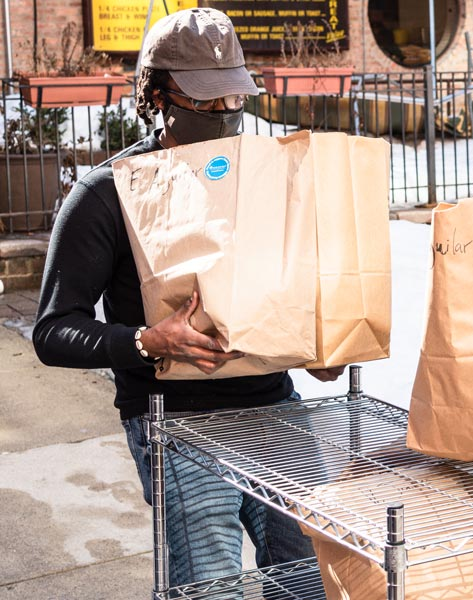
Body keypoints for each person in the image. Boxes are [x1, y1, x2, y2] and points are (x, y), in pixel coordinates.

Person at [32, 7, 340, 587]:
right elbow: (52, 332)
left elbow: (296, 294)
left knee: (306, 576)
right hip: (174, 421)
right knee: (210, 582)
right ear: (155, 95)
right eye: (206, 102)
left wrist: (323, 347)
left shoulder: (265, 183)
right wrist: (148, 341)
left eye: (234, 101)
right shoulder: (106, 196)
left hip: (274, 407)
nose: (225, 115)